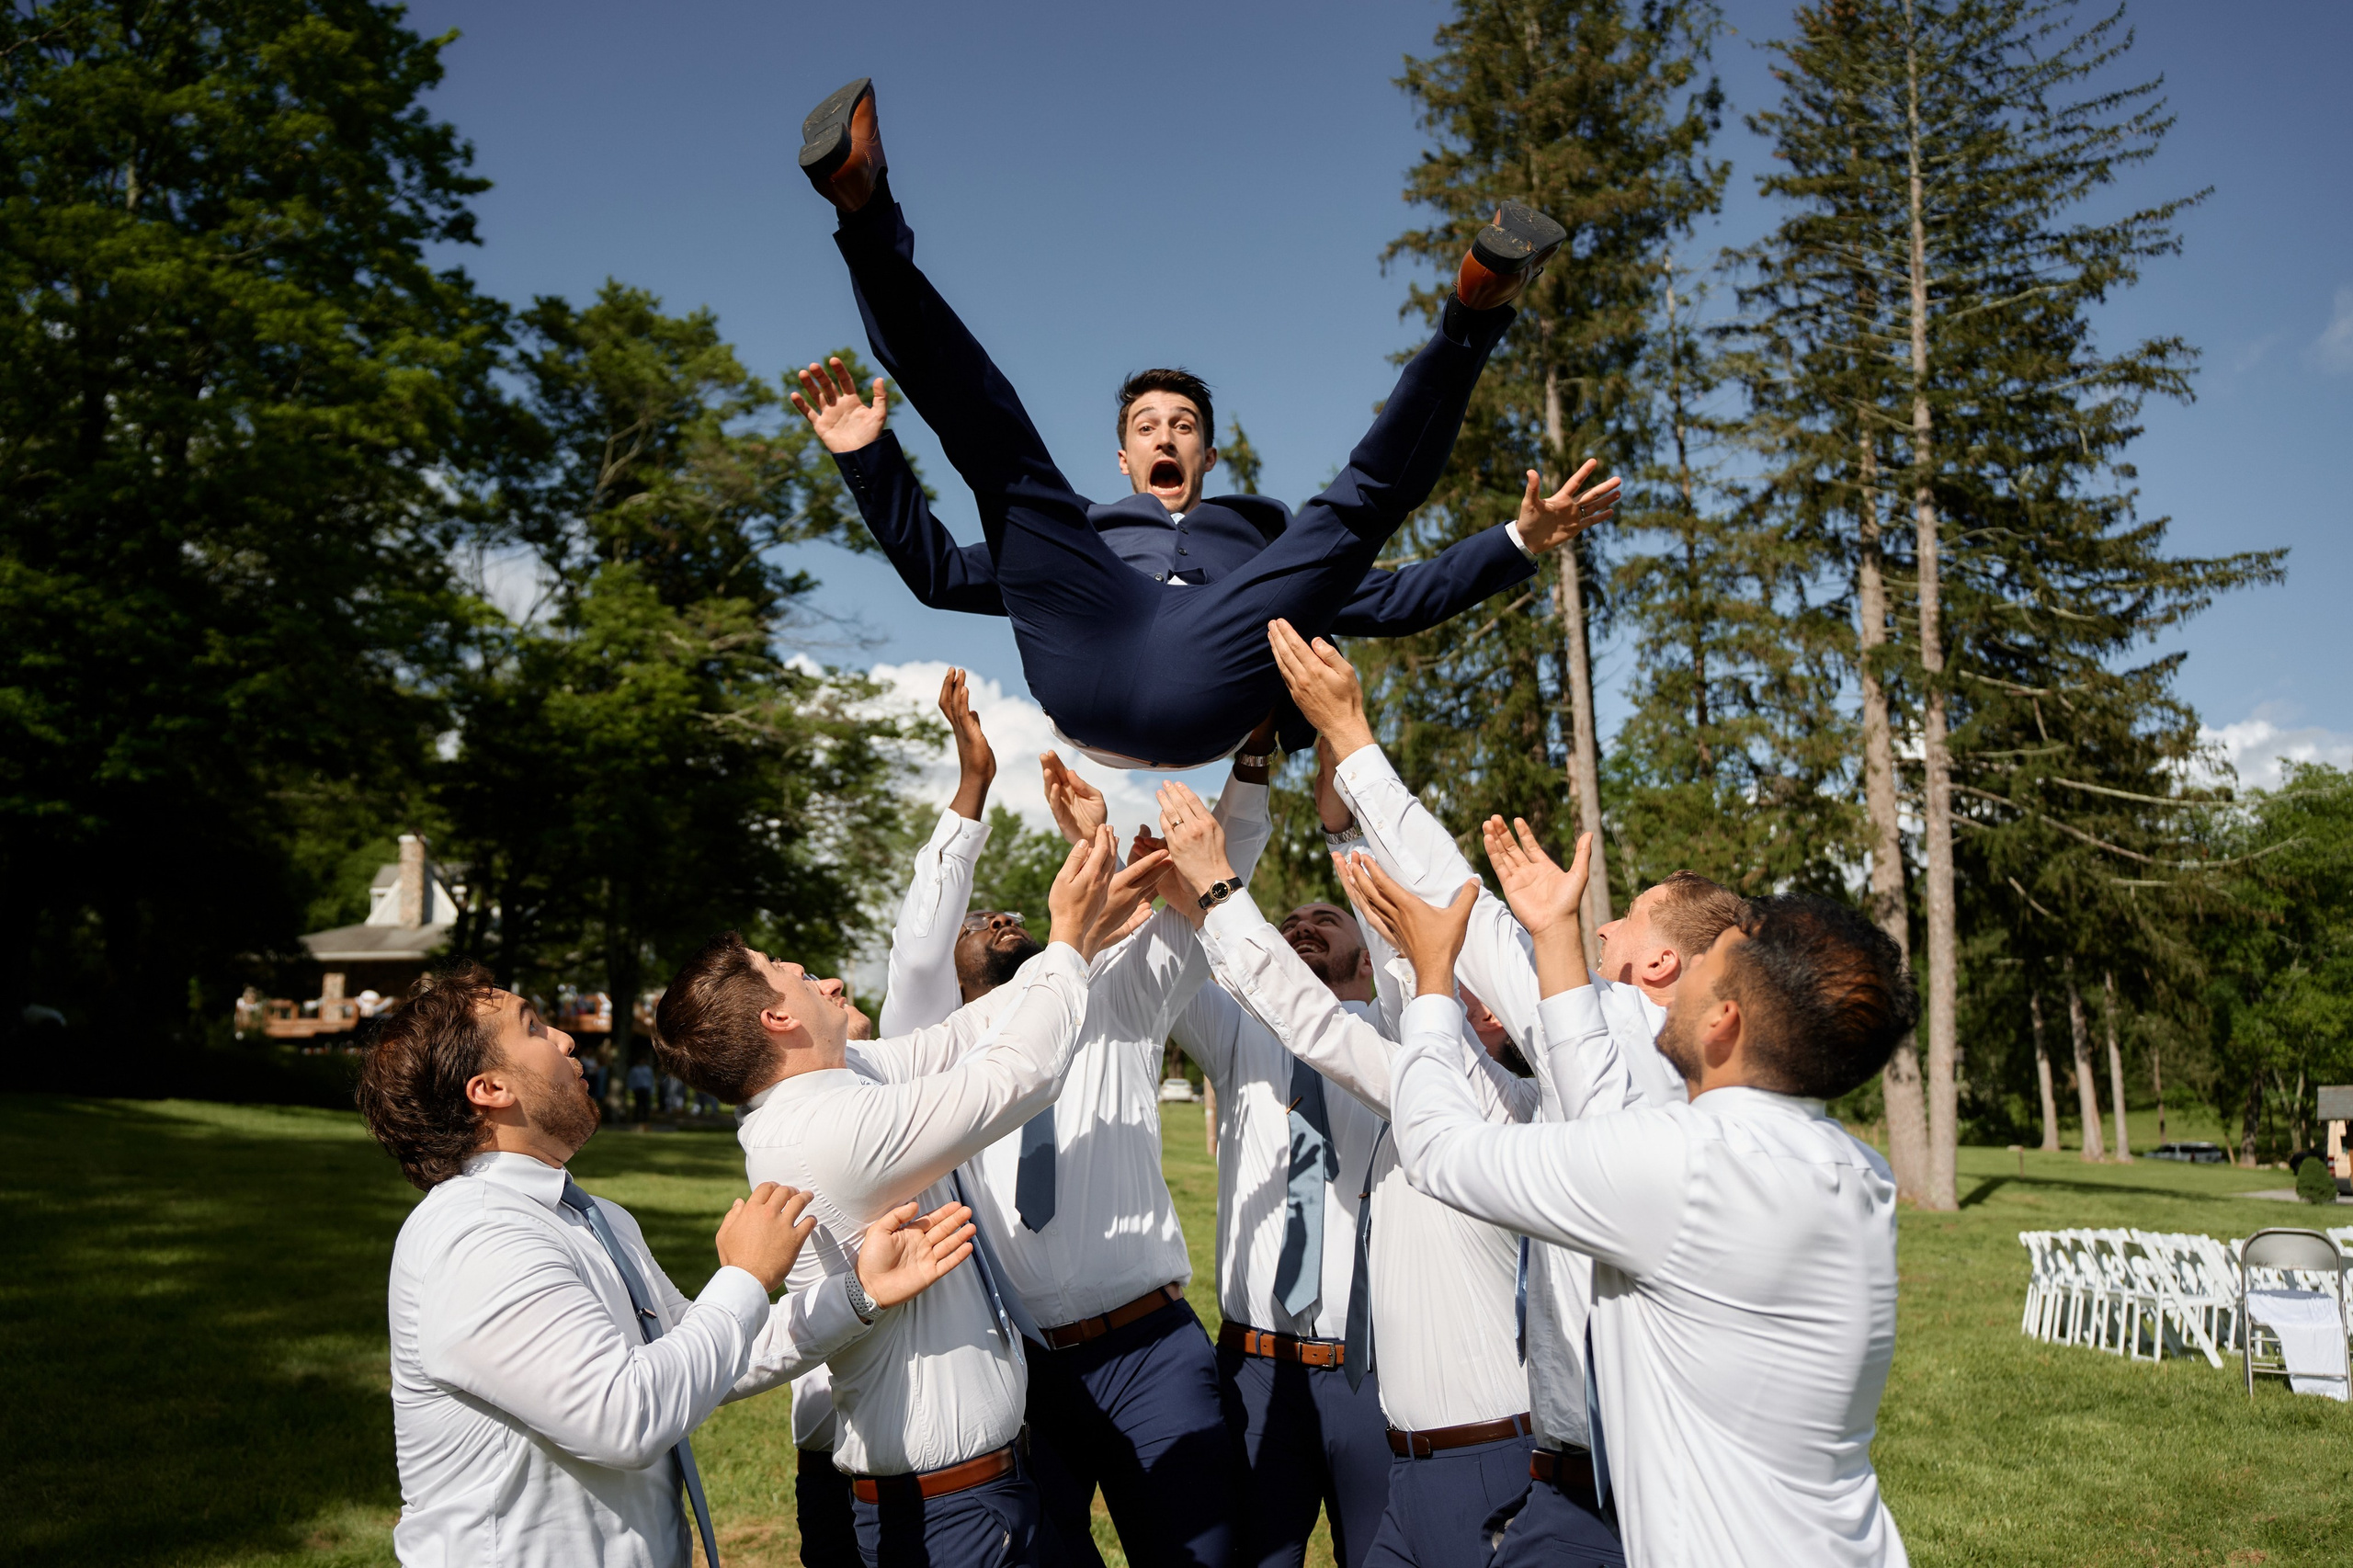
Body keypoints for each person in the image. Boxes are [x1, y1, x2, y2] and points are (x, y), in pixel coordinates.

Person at [790, 76, 1620, 770]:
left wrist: (1519, 539)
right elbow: (939, 576)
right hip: (1086, 642)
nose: (1165, 436)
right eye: (1147, 426)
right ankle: (864, 205)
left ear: (1209, 454)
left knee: (1358, 507)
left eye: (1183, 425)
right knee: (1005, 463)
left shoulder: (1258, 542)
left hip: (1216, 662)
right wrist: (869, 457)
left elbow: (1402, 597)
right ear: (1123, 458)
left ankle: (1475, 309)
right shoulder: (1087, 530)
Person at [1269, 617, 1741, 1565]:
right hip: (1581, 1466)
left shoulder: (1614, 1037)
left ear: (1661, 962)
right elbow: (1452, 938)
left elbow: (1465, 914)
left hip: (1600, 1475)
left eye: (1625, 919)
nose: (1601, 929)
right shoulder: (1680, 1077)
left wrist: (1354, 742)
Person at [1355, 816, 1919, 1568]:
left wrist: (1433, 984)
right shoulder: (1855, 1172)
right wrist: (1553, 936)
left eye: (1709, 967)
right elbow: (1599, 1113)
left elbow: (1439, 1153)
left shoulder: (1678, 1168)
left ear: (1723, 1020)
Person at [359, 963, 981, 1568]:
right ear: (490, 1090)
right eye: (533, 1027)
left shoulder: (588, 1216)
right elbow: (623, 1417)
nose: (565, 1038)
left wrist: (858, 1291)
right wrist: (745, 1278)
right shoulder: (477, 1235)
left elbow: (704, 1356)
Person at [650, 829, 1153, 1568]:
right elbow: (1018, 1075)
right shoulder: (827, 1130)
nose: (827, 981)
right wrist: (1068, 939)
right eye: (796, 975)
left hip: (983, 1491)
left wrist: (1082, 939)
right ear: (779, 1021)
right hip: (951, 1513)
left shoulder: (836, 1085)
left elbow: (962, 1033)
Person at [869, 666, 1276, 1568]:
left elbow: (1217, 882)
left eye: (1008, 910)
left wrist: (1251, 754)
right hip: (1021, 1372)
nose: (998, 915)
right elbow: (918, 946)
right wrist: (972, 786)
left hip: (1151, 1353)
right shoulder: (933, 1047)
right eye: (979, 917)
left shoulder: (1113, 998)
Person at [1153, 753, 1545, 1568]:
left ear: (1366, 956)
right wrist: (1184, 881)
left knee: (1378, 1550)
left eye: (1324, 920)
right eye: (1290, 919)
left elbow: (1379, 949)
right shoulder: (1238, 1031)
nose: (1301, 925)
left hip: (1370, 1371)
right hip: (1258, 1366)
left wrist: (1346, 820)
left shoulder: (1409, 1046)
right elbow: (1191, 965)